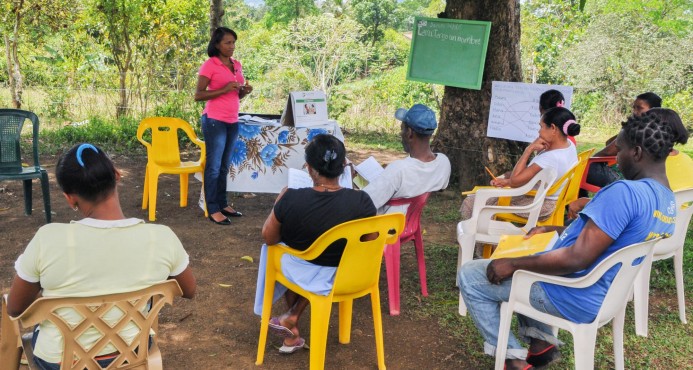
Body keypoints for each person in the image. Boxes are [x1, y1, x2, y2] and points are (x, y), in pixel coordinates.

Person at [458, 114, 676, 370]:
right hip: (606, 294)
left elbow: (576, 259)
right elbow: (611, 236)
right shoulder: (666, 199)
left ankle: (512, 359)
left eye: (620, 149)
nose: (615, 158)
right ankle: (541, 345)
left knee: (472, 276)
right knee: (536, 253)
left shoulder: (624, 192)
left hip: (572, 293)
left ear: (637, 152)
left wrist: (513, 264)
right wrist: (555, 228)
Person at [7, 143, 196, 370]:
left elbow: (15, 308)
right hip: (132, 352)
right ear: (117, 175)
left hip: (59, 360)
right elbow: (189, 290)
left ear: (70, 198)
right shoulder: (162, 237)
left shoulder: (48, 239)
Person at [254, 134, 376, 354]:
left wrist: (280, 201)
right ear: (343, 168)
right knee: (308, 263)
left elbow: (269, 238)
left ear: (309, 169)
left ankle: (292, 319)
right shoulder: (362, 202)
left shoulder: (290, 197)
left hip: (304, 271)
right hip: (348, 275)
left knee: (287, 255)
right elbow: (370, 243)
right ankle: (292, 320)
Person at [568, 108, 692, 219]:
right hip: (673, 225)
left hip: (644, 222)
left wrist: (587, 202)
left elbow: (629, 205)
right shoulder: (686, 160)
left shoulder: (650, 167)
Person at [460, 107, 580, 221]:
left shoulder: (551, 158)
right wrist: (507, 182)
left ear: (553, 129)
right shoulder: (569, 145)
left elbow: (515, 181)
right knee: (482, 198)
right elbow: (530, 178)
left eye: (541, 126)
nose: (539, 131)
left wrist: (529, 149)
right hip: (550, 199)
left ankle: (478, 241)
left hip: (538, 204)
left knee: (472, 202)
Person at [195, 27, 253, 225]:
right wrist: (224, 88)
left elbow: (235, 94)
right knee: (213, 166)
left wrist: (244, 91)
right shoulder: (209, 65)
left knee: (224, 166)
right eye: (228, 43)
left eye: (234, 42)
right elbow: (199, 95)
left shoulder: (236, 65)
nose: (232, 46)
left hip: (232, 120)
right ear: (217, 44)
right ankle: (213, 208)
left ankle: (222, 203)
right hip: (214, 120)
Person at [362, 104, 451, 215]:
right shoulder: (443, 163)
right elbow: (440, 185)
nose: (400, 133)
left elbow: (363, 204)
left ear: (409, 133)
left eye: (402, 129)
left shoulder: (399, 170)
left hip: (384, 229)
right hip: (410, 227)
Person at [584, 92, 662, 190]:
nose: (634, 112)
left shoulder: (639, 128)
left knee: (585, 169)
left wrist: (589, 161)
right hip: (648, 179)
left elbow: (608, 151)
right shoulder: (659, 129)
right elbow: (609, 143)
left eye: (639, 108)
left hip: (631, 180)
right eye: (634, 108)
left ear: (653, 111)